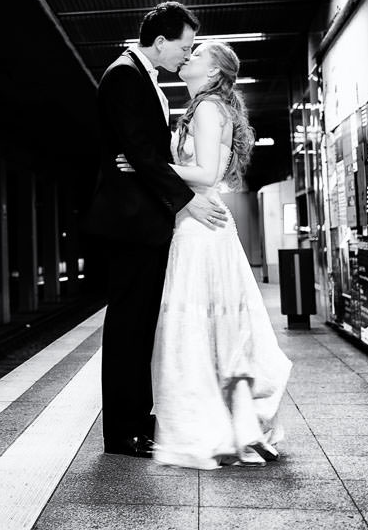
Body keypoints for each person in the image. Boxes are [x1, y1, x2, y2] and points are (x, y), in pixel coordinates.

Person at [124, 41, 292, 468]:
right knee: (218, 324)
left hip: (200, 228)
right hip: (202, 223)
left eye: (197, 55)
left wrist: (147, 166)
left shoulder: (205, 108)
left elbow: (207, 174)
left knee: (196, 322)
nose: (188, 58)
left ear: (215, 71)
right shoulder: (208, 106)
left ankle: (214, 422)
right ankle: (235, 421)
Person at [83, 2, 229, 458]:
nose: (186, 57)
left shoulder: (143, 76)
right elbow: (141, 154)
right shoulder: (124, 74)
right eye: (183, 47)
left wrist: (152, 169)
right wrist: (188, 200)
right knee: (128, 327)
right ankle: (123, 433)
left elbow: (144, 155)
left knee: (140, 325)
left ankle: (136, 423)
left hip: (143, 218)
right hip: (130, 222)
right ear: (160, 41)